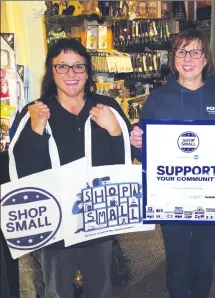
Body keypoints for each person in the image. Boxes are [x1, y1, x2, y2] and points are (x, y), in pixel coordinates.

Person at [12, 38, 133, 298]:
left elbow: (126, 161)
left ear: (88, 71)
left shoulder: (106, 107)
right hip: (56, 220)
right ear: (51, 70)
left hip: (98, 217)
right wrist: (35, 131)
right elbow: (23, 174)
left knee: (100, 287)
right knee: (57, 289)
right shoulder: (35, 112)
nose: (71, 74)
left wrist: (114, 130)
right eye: (62, 67)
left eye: (78, 66)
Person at [130, 28, 215, 298]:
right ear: (174, 58)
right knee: (178, 263)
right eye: (182, 51)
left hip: (209, 196)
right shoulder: (157, 99)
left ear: (206, 59)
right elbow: (145, 154)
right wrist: (137, 144)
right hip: (171, 198)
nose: (189, 58)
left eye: (196, 51)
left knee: (204, 263)